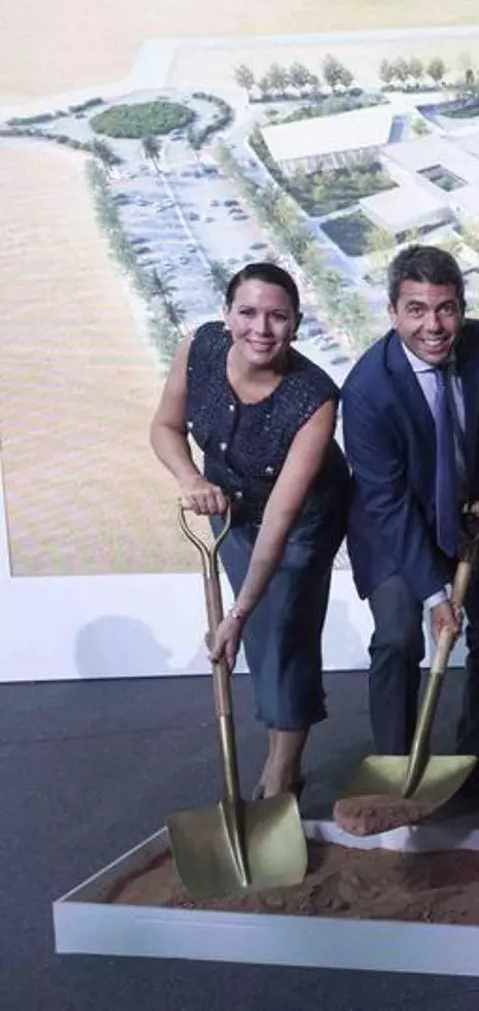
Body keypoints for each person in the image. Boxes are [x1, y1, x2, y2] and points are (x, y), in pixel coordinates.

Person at [149, 262, 350, 799]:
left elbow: (281, 517)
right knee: (259, 631)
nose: (261, 328)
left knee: (282, 628)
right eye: (248, 312)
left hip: (302, 522)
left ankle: (283, 772)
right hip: (229, 512)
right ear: (226, 314)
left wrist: (236, 615)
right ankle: (283, 750)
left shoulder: (314, 397)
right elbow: (165, 427)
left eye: (277, 317)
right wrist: (191, 478)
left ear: (296, 324)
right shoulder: (200, 348)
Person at [341, 244, 479, 799]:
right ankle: (396, 770)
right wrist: (434, 595)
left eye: (446, 308)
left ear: (461, 308)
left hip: (473, 512)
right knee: (399, 637)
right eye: (417, 309)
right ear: (393, 312)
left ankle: (474, 762)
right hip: (396, 527)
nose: (434, 325)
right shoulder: (367, 390)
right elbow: (388, 503)